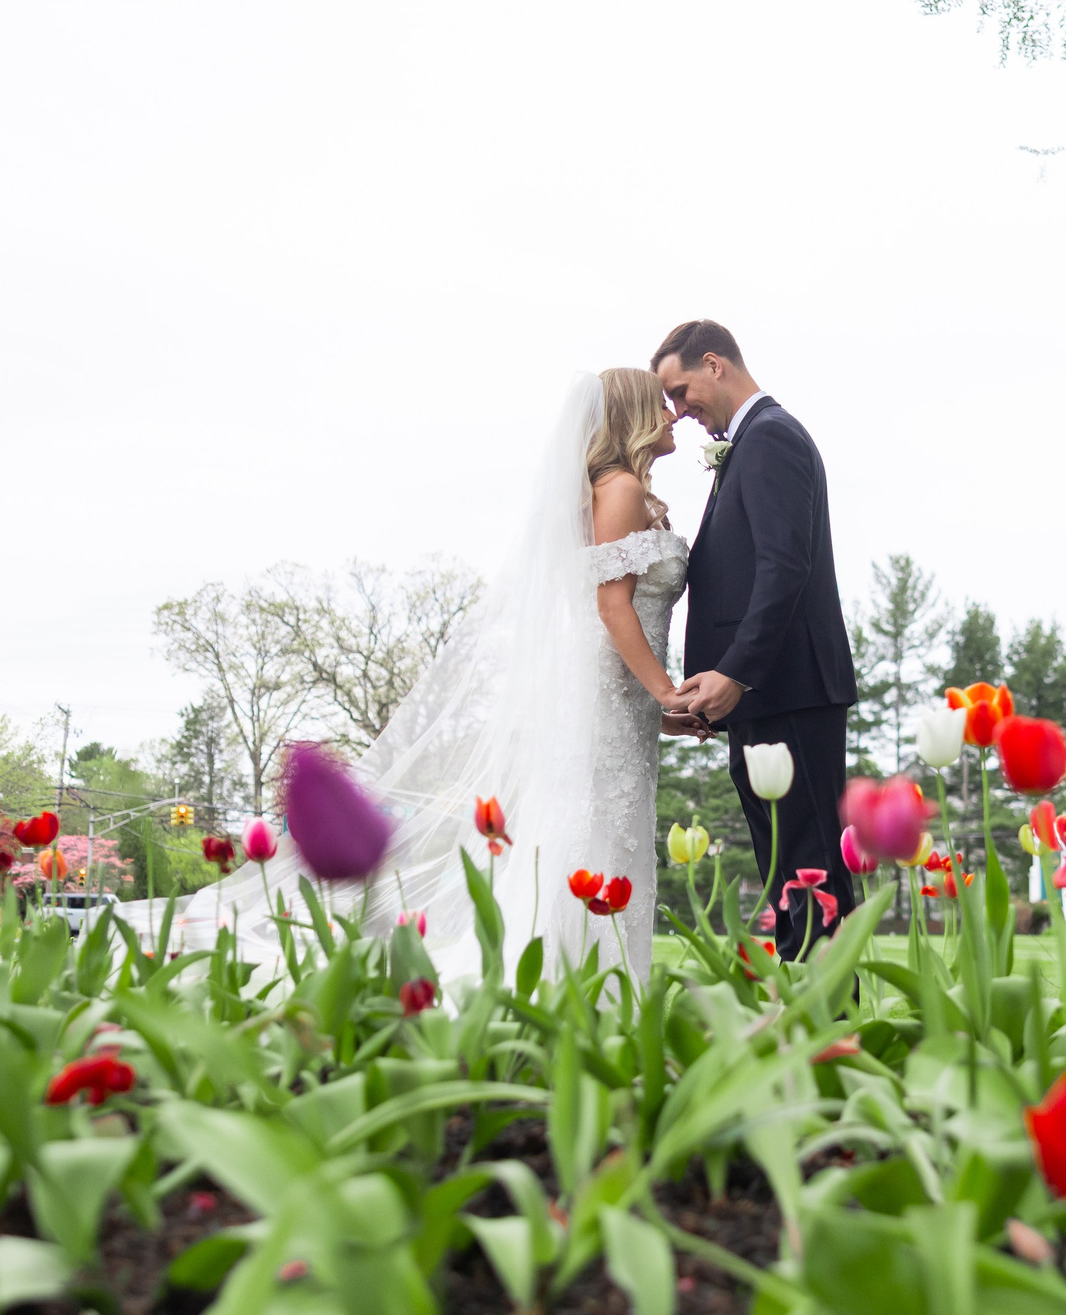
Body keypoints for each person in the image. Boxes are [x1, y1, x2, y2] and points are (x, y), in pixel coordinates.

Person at [182, 370, 704, 975]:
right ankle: (582, 986)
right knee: (594, 836)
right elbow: (611, 609)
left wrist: (655, 709)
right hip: (608, 698)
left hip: (613, 702)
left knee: (600, 834)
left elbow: (604, 625)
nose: (673, 414)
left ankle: (591, 987)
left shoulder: (608, 491)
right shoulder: (621, 488)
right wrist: (666, 691)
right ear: (632, 415)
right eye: (660, 404)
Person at [657, 320, 858, 954]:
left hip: (787, 691)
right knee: (787, 878)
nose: (679, 410)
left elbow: (784, 566)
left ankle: (832, 1009)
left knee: (811, 868)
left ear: (714, 364)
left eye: (681, 390)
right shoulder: (749, 442)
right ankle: (803, 1003)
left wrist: (737, 672)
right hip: (763, 698)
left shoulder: (771, 437)